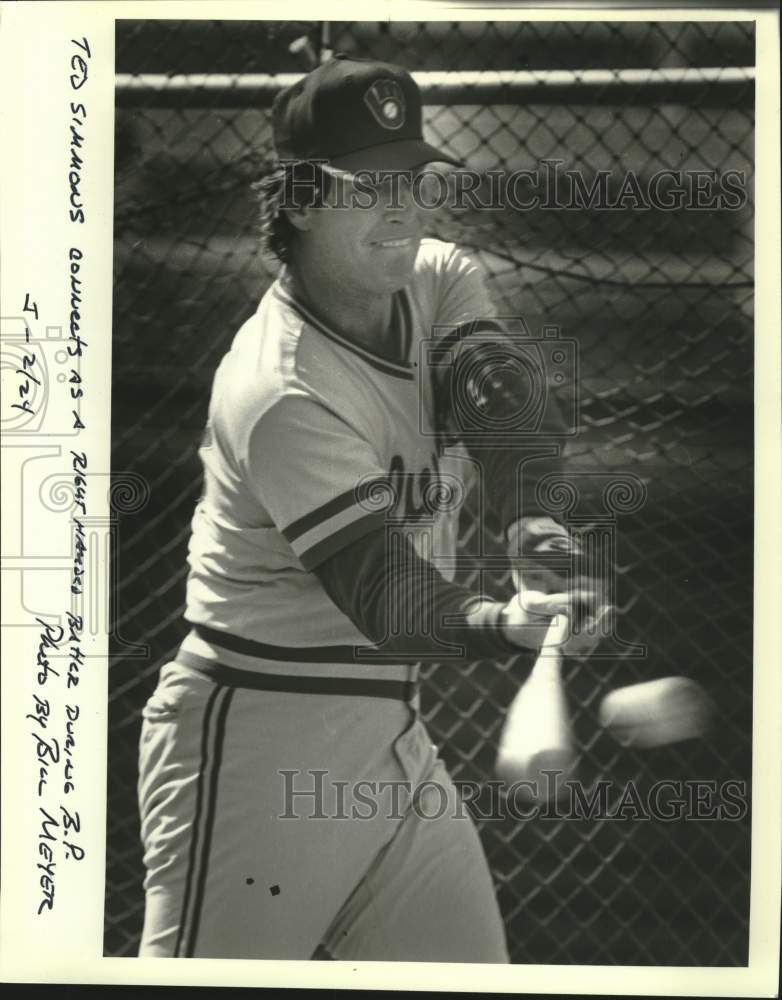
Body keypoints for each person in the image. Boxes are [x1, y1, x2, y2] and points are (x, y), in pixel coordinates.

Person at [137, 54, 601, 962]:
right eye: (372, 186)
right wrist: (503, 624)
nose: (406, 207)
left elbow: (497, 401)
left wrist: (535, 533)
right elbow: (382, 591)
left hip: (392, 739)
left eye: (415, 179)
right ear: (300, 201)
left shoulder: (435, 275)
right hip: (259, 740)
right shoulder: (278, 389)